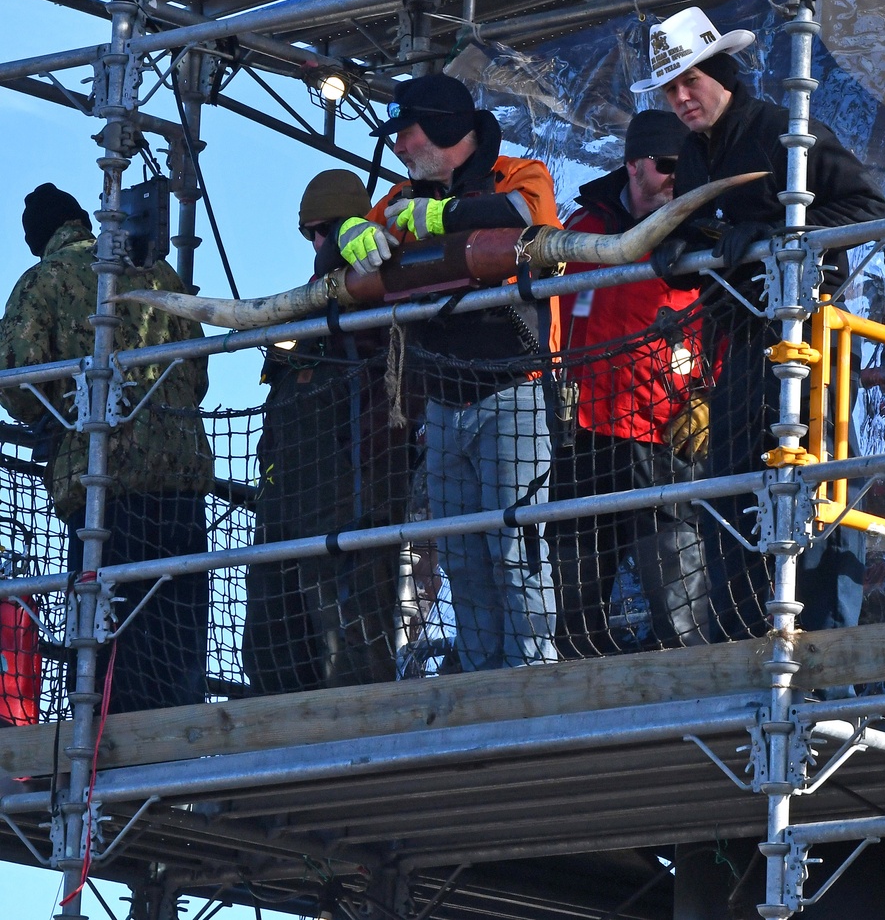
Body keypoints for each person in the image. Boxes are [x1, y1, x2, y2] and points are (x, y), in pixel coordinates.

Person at [632, 7, 885, 640]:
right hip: (742, 342)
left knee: (811, 487)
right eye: (670, 88)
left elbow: (866, 205)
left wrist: (780, 235)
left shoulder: (783, 130)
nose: (681, 97)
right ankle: (742, 636)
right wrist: (681, 251)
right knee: (733, 488)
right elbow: (707, 253)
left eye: (690, 80)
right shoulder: (695, 155)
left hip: (809, 334)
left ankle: (824, 655)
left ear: (721, 72)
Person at [319, 73, 562, 671]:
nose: (398, 146)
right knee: (459, 553)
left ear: (445, 125)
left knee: (516, 545)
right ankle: (482, 680)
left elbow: (525, 215)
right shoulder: (402, 197)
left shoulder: (519, 174)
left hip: (517, 392)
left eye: (406, 130)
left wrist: (439, 217)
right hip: (444, 406)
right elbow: (352, 241)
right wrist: (352, 230)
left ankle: (533, 671)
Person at [0, 183, 214, 713]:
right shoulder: (160, 273)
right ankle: (180, 762)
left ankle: (107, 772)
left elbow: (16, 381)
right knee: (177, 638)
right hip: (183, 484)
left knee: (106, 643)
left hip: (105, 490)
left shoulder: (44, 280)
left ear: (41, 237)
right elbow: (198, 372)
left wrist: (58, 412)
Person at [550, 109, 712, 657]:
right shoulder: (580, 230)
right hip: (582, 438)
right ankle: (584, 719)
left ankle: (696, 699)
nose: (675, 179)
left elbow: (731, 323)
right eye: (667, 165)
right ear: (632, 166)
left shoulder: (702, 235)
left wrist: (709, 399)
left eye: (684, 168)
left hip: (662, 434)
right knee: (574, 599)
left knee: (678, 595)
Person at [242, 170, 405, 692]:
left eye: (326, 229)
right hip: (282, 506)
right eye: (309, 233)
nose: (317, 242)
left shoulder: (384, 286)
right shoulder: (307, 303)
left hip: (349, 501)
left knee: (350, 648)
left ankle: (358, 763)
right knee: (269, 644)